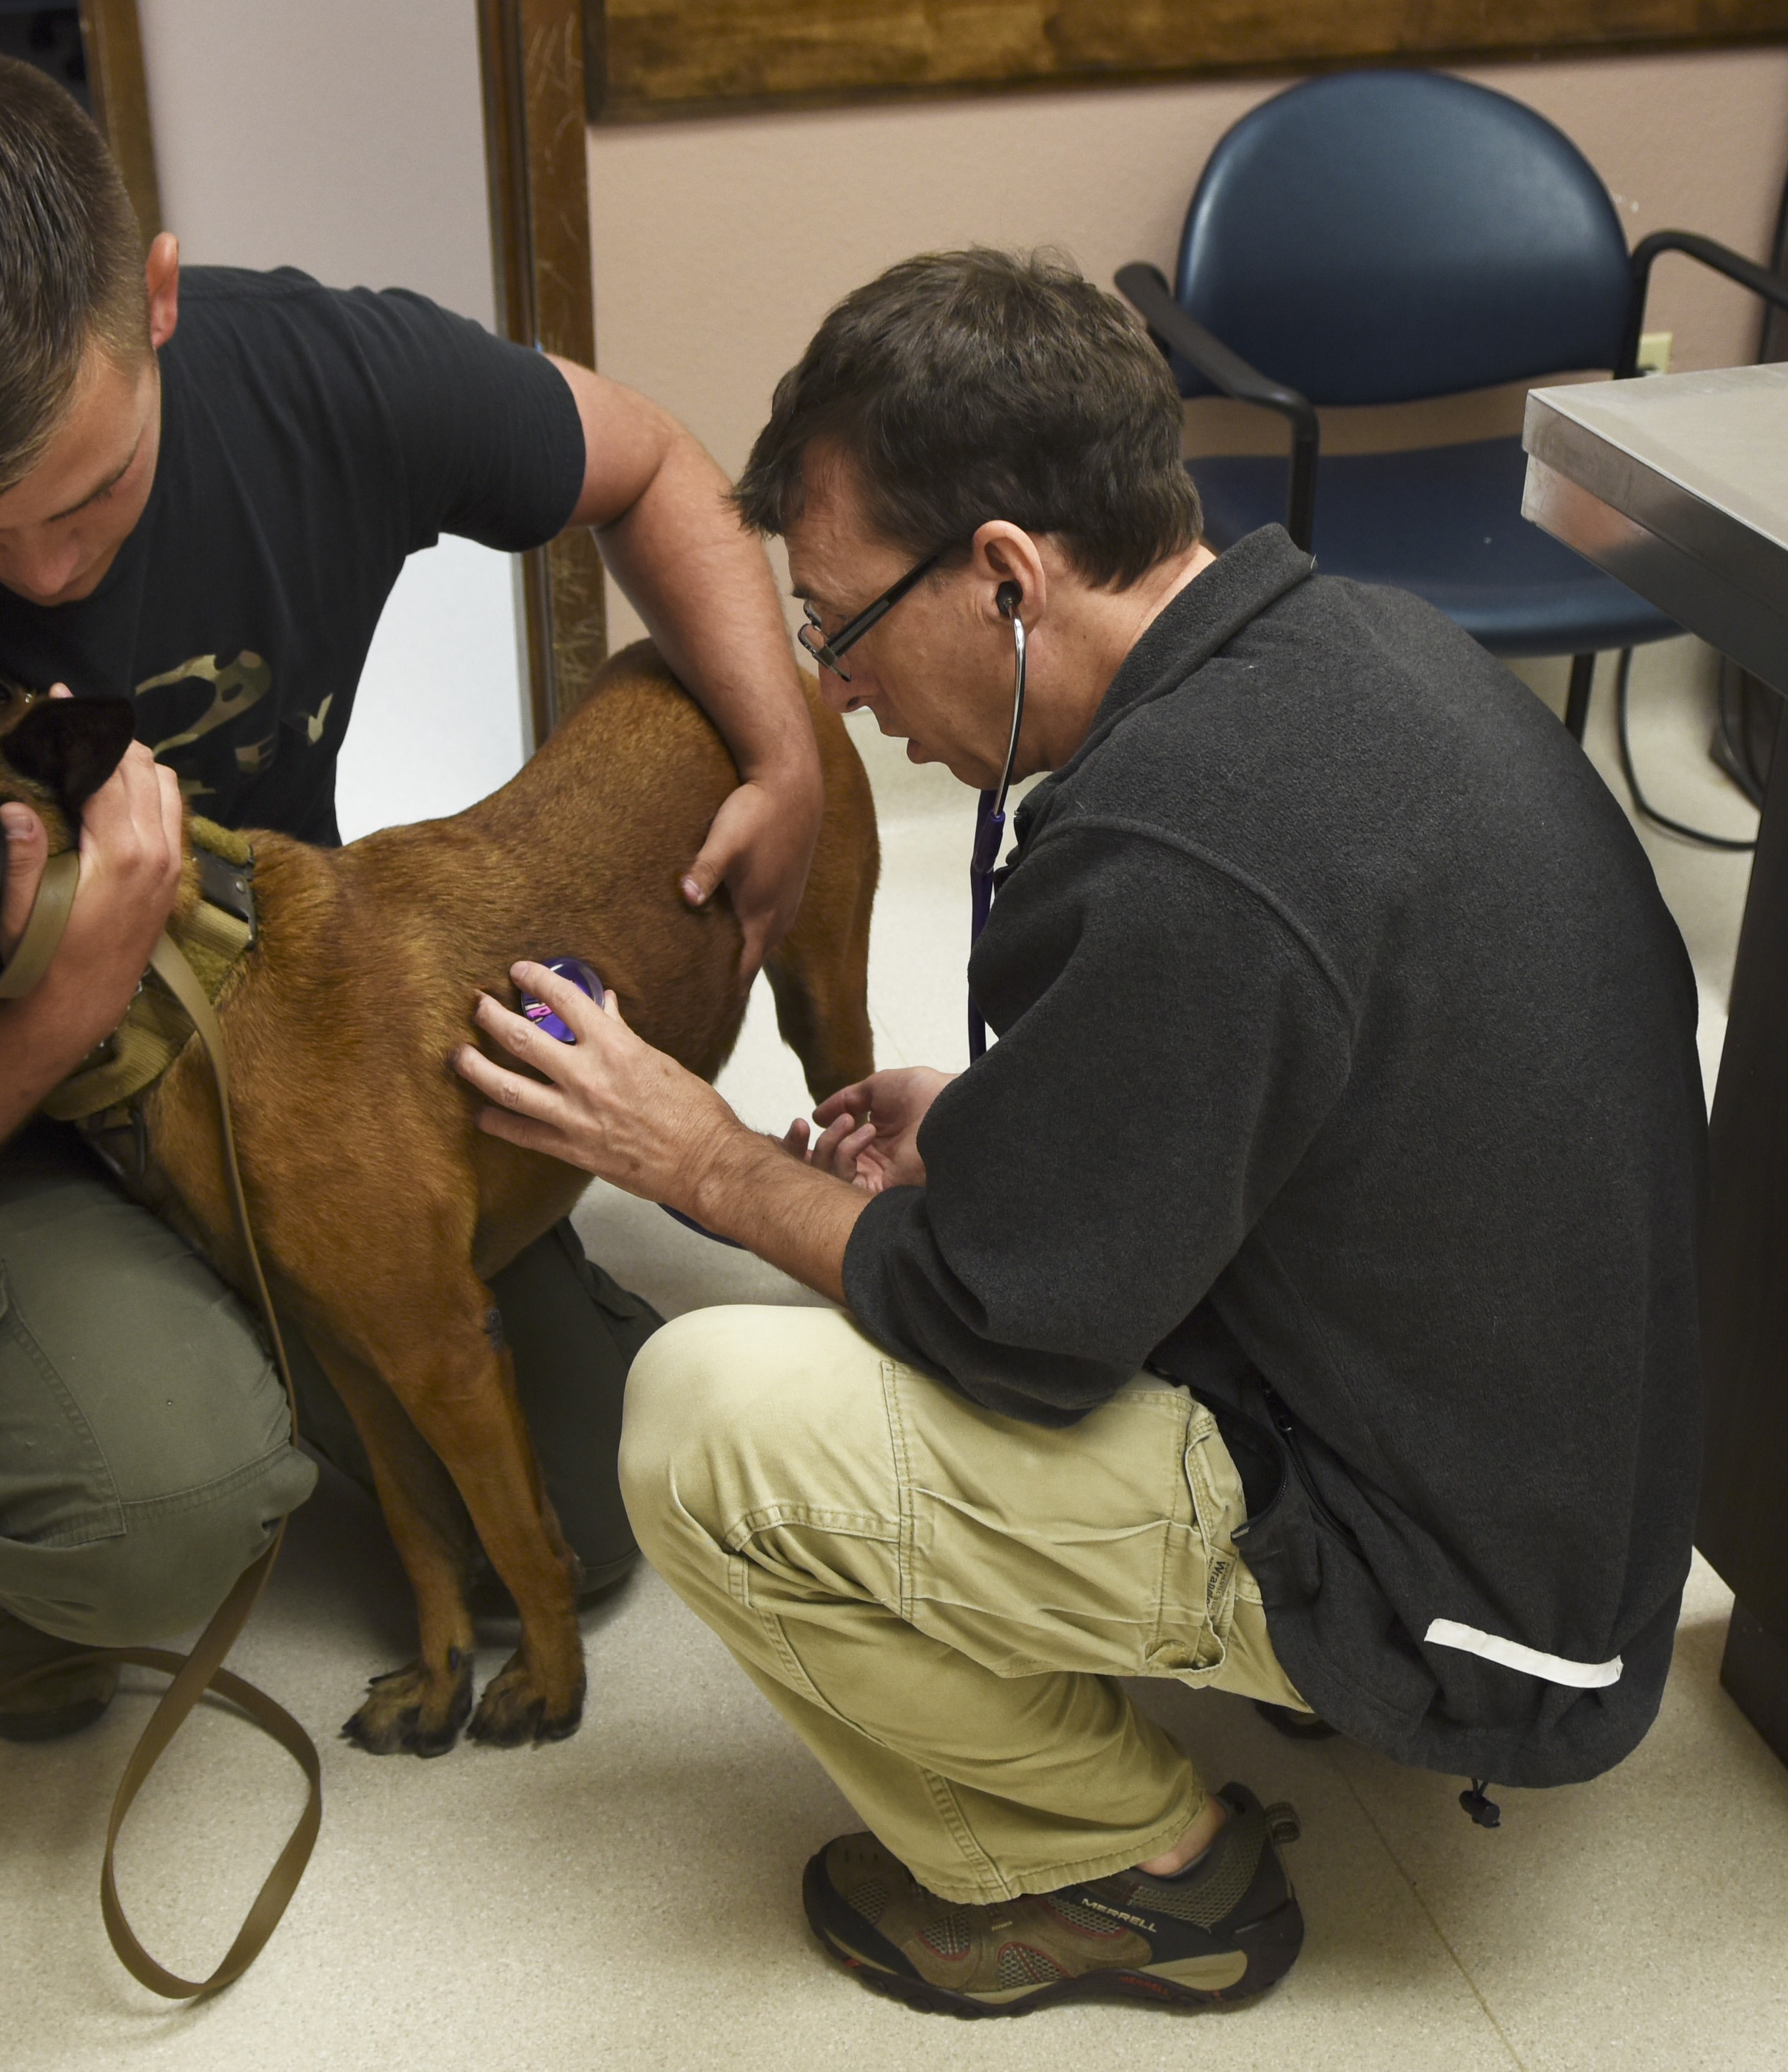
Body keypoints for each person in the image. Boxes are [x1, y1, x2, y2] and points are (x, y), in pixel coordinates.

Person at [454, 247, 1706, 2018]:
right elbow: (1312, 1090)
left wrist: (698, 1160)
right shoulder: (1356, 653)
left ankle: (1134, 1874)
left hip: (1470, 1604)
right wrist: (999, 1121)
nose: (847, 694)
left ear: (1005, 579)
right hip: (1569, 1505)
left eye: (840, 627)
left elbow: (1003, 1332)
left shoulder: (1175, 856)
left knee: (704, 1426)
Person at [0, 47, 820, 1740]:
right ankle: (37, 1510)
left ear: (157, 299)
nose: (49, 570)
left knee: (591, 1525)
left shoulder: (307, 370)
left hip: (288, 1057)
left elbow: (654, 467)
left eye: (93, 491)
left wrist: (788, 757)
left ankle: (261, 1339)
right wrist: (70, 1001)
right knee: (152, 1514)